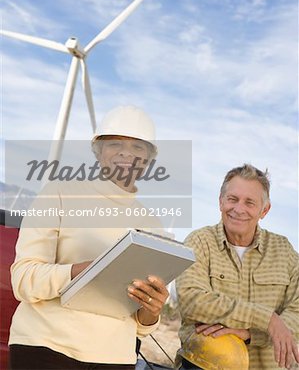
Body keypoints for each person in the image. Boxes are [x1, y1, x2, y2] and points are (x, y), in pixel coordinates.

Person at [8, 105, 169, 370]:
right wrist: (82, 271)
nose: (126, 154)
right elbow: (24, 280)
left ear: (149, 159)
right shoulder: (59, 192)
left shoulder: (152, 224)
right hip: (46, 348)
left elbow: (141, 327)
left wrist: (152, 308)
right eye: (115, 144)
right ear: (98, 151)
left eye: (138, 147)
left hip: (114, 359)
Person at [176, 164, 299, 370]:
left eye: (249, 202)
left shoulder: (284, 250)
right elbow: (191, 299)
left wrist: (252, 334)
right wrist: (267, 319)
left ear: (264, 210)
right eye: (232, 199)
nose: (238, 209)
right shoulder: (199, 242)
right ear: (221, 201)